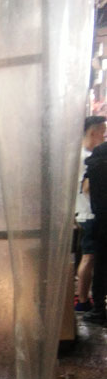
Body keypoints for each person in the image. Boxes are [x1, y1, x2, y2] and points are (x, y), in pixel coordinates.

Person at [74, 115, 106, 311]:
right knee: (89, 256)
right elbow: (87, 188)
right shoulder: (87, 158)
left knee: (89, 255)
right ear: (93, 133)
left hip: (85, 213)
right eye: (103, 133)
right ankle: (83, 301)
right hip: (90, 214)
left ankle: (84, 298)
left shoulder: (81, 155)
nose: (104, 138)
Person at [83, 138, 107, 324]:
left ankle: (99, 309)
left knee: (101, 265)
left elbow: (87, 187)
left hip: (102, 219)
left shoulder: (98, 156)